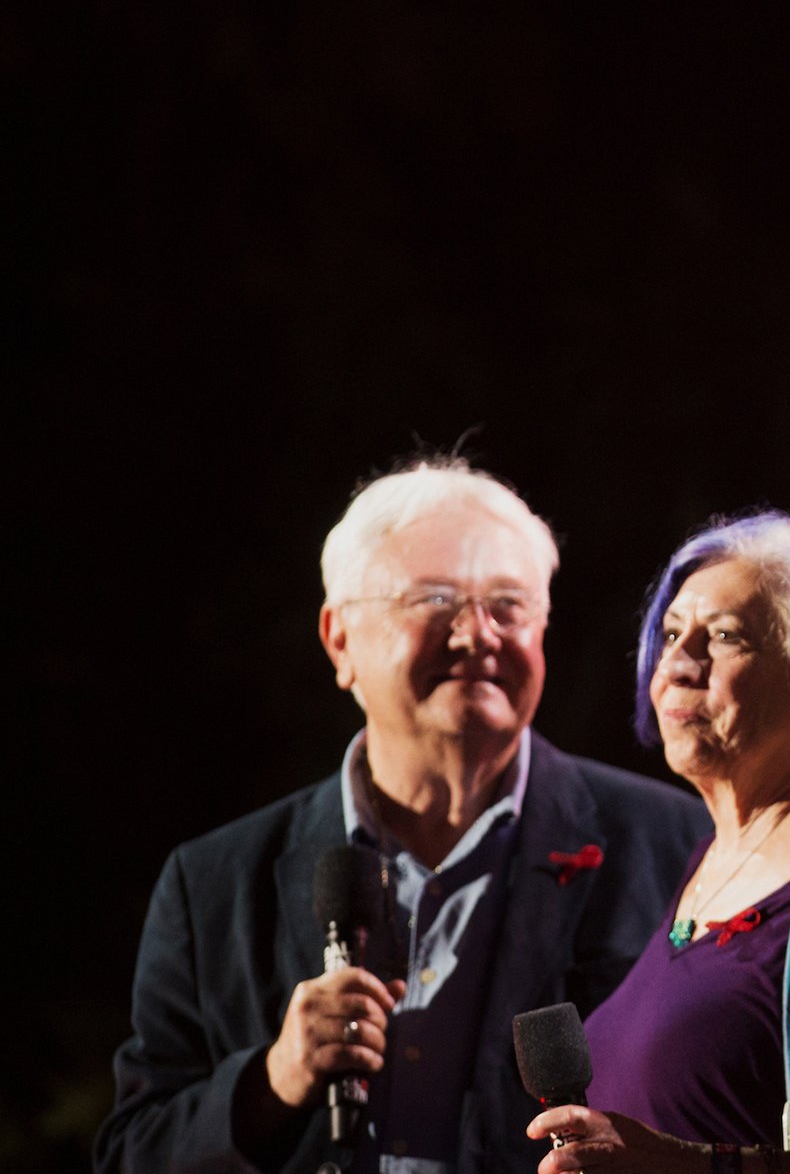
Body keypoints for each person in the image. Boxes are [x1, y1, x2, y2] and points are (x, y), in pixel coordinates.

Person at [99, 458, 711, 1174]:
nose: (477, 634)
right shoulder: (214, 883)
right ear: (339, 641)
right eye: (435, 600)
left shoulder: (676, 849)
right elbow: (131, 1154)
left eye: (509, 605)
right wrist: (272, 1081)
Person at [523, 512, 790, 1173]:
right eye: (672, 633)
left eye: (727, 637)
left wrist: (697, 1168)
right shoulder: (706, 861)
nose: (677, 663)